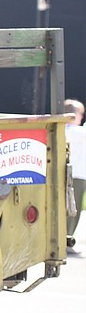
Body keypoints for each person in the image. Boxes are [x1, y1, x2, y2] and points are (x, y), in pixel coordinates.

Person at [66, 98, 86, 253]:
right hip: (77, 175)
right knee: (74, 208)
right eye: (80, 114)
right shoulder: (78, 133)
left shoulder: (62, 131)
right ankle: (68, 239)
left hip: (64, 174)